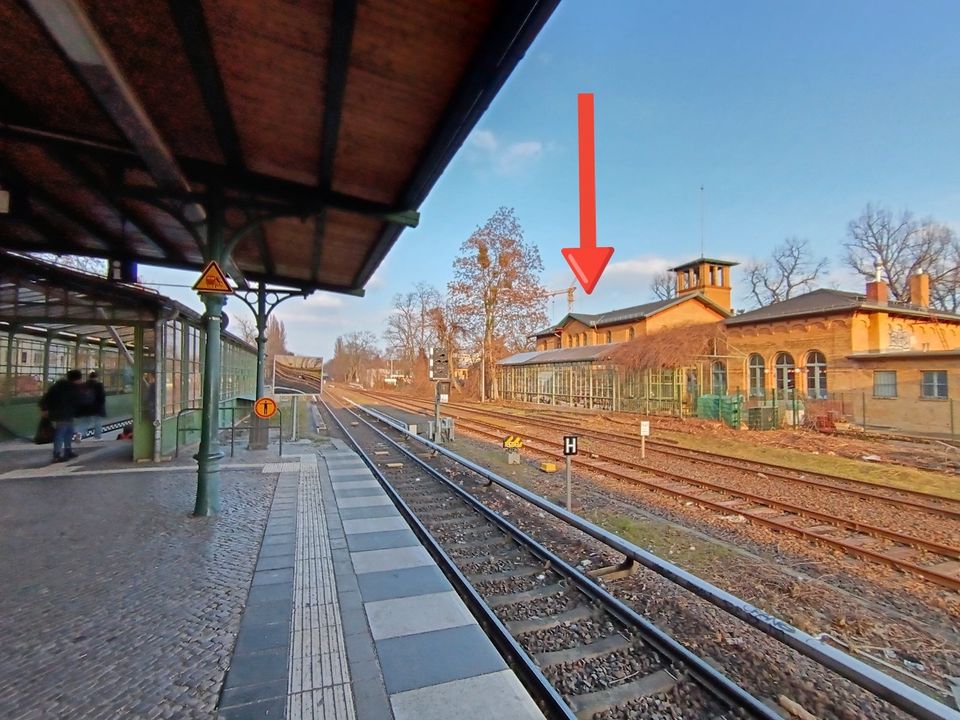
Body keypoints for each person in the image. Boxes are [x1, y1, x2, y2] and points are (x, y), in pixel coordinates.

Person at [39, 370, 84, 463]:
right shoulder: (73, 388)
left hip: (61, 413)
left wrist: (44, 409)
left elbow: (46, 397)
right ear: (77, 379)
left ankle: (67, 451)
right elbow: (78, 401)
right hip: (63, 414)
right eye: (80, 379)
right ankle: (57, 454)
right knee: (61, 433)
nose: (81, 381)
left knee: (68, 432)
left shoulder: (57, 386)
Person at [81, 371, 107, 440]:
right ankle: (97, 437)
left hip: (87, 407)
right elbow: (102, 397)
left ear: (90, 377)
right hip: (97, 408)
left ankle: (80, 435)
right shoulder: (99, 385)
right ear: (97, 377)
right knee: (98, 422)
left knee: (85, 422)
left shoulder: (85, 385)